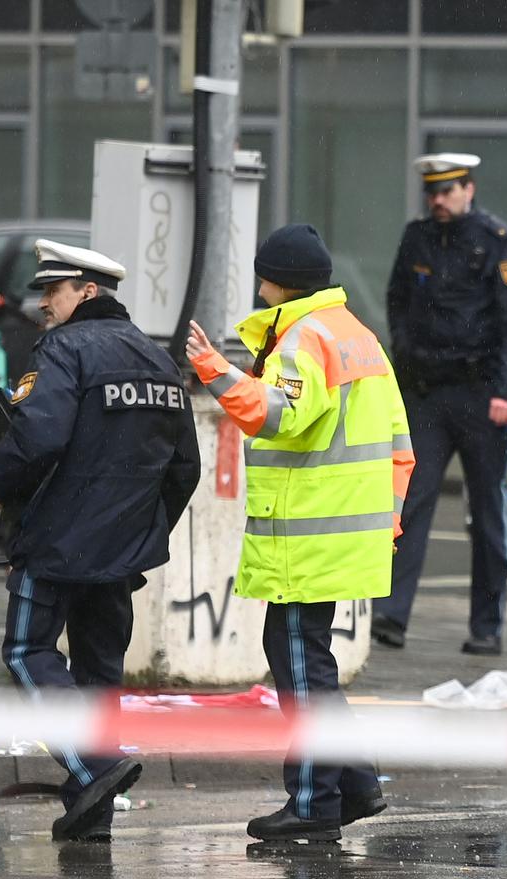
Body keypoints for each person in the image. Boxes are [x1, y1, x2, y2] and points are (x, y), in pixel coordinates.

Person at [184, 223, 414, 843]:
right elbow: (401, 445)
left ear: (273, 280)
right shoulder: (357, 336)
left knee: (300, 669)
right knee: (310, 661)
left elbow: (277, 414)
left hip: (305, 540)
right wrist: (383, 521)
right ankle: (358, 785)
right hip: (344, 535)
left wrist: (212, 368)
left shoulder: (304, 337)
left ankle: (314, 804)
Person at [0, 240, 200, 842]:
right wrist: (142, 530)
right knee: (100, 672)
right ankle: (90, 814)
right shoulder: (158, 360)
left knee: (27, 653)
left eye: (53, 291)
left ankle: (94, 767)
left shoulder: (63, 349)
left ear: (87, 292)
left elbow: (38, 437)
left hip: (54, 541)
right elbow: (185, 468)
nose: (44, 304)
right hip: (119, 552)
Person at [375, 152, 507, 656]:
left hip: (481, 394)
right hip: (428, 392)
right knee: (411, 503)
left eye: (448, 191)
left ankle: (486, 626)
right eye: (432, 191)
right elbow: (398, 303)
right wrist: (405, 364)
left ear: (469, 189)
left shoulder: (496, 242)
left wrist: (506, 392)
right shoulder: (418, 237)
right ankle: (390, 615)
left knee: (487, 513)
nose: (438, 200)